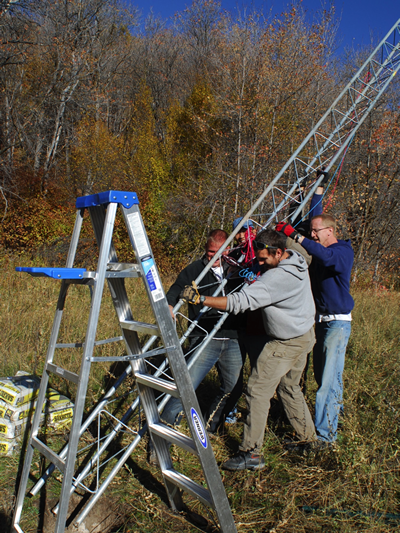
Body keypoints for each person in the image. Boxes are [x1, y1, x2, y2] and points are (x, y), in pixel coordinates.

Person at [180, 229, 317, 471]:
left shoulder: (274, 280)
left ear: (279, 252)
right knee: (289, 386)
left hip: (285, 343)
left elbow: (237, 302)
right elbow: (298, 246)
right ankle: (309, 441)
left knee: (256, 391)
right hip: (305, 335)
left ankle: (251, 453)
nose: (260, 263)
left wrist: (201, 299)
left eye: (264, 260)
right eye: (258, 258)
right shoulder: (298, 258)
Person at [276, 213, 354, 444]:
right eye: (310, 231)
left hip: (337, 323)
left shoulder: (341, 252)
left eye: (315, 231)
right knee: (322, 378)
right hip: (319, 323)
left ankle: (325, 438)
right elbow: (316, 214)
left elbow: (327, 257)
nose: (311, 235)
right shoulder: (321, 251)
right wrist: (316, 191)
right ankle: (327, 425)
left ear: (330, 231)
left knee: (328, 383)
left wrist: (295, 236)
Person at [159, 229, 243, 434]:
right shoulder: (196, 270)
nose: (213, 257)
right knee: (185, 387)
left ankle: (211, 426)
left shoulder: (237, 270)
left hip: (232, 337)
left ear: (228, 250)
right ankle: (166, 430)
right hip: (203, 334)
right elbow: (177, 287)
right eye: (209, 253)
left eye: (218, 253)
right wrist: (169, 305)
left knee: (233, 389)